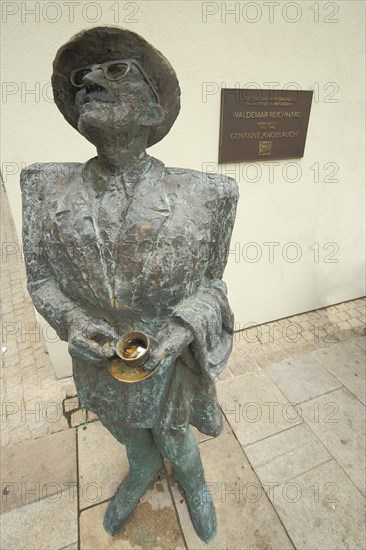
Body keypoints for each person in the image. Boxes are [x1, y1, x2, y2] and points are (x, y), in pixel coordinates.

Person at [21, 26, 238, 543]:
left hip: (166, 352)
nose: (89, 79)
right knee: (123, 431)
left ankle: (193, 480)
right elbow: (40, 279)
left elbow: (214, 286)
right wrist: (73, 320)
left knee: (173, 434)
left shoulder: (209, 195)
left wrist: (183, 329)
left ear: (153, 110)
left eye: (116, 69)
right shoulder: (42, 186)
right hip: (95, 352)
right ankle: (140, 468)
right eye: (80, 78)